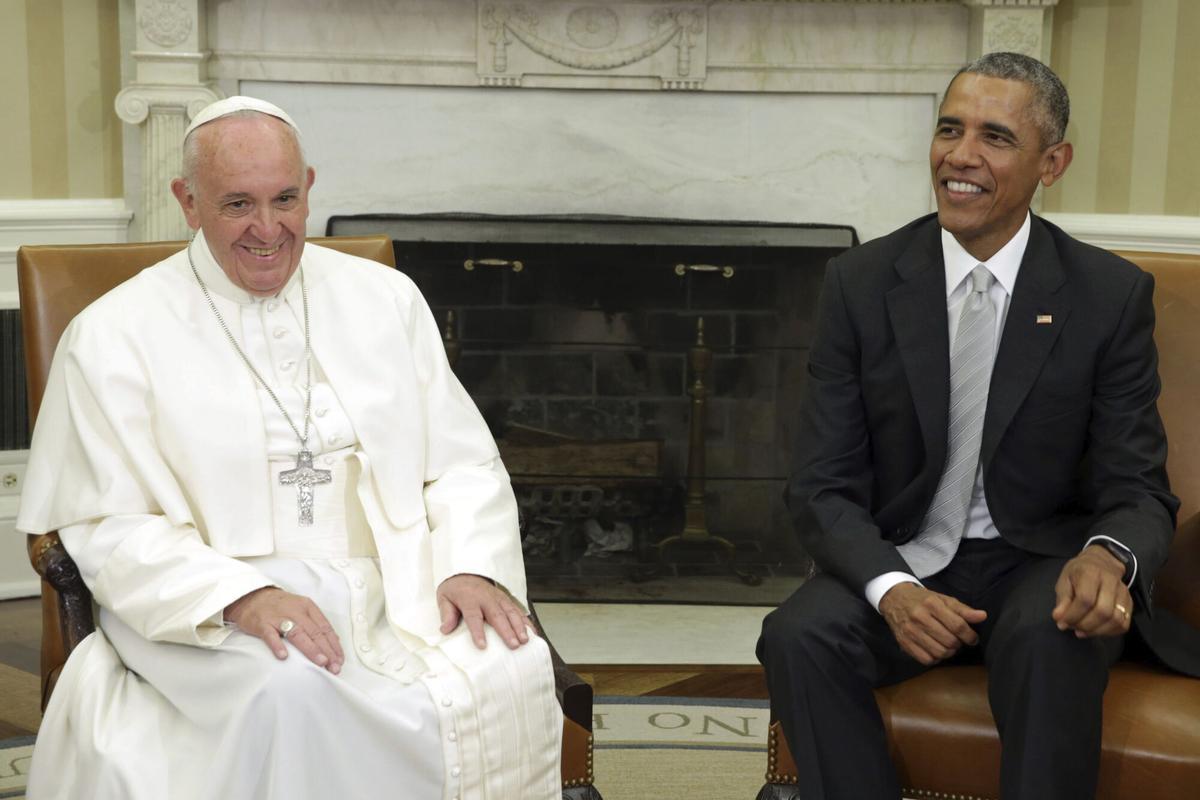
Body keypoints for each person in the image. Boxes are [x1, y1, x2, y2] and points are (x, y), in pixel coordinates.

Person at [17, 96, 562, 800]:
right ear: (188, 201)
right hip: (207, 602)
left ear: (309, 186)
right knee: (291, 692)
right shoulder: (111, 335)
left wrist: (468, 567)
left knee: (503, 667)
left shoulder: (387, 299)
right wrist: (238, 596)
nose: (267, 230)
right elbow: (104, 524)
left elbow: (460, 462)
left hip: (391, 577)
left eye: (285, 199)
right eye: (237, 204)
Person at [758, 52, 1198, 799]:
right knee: (798, 636)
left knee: (1051, 632)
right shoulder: (861, 284)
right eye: (949, 129)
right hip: (909, 553)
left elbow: (1137, 485)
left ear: (1051, 162)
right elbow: (821, 484)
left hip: (1039, 560)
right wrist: (892, 586)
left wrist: (1107, 559)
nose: (960, 157)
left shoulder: (1107, 296)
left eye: (995, 137)